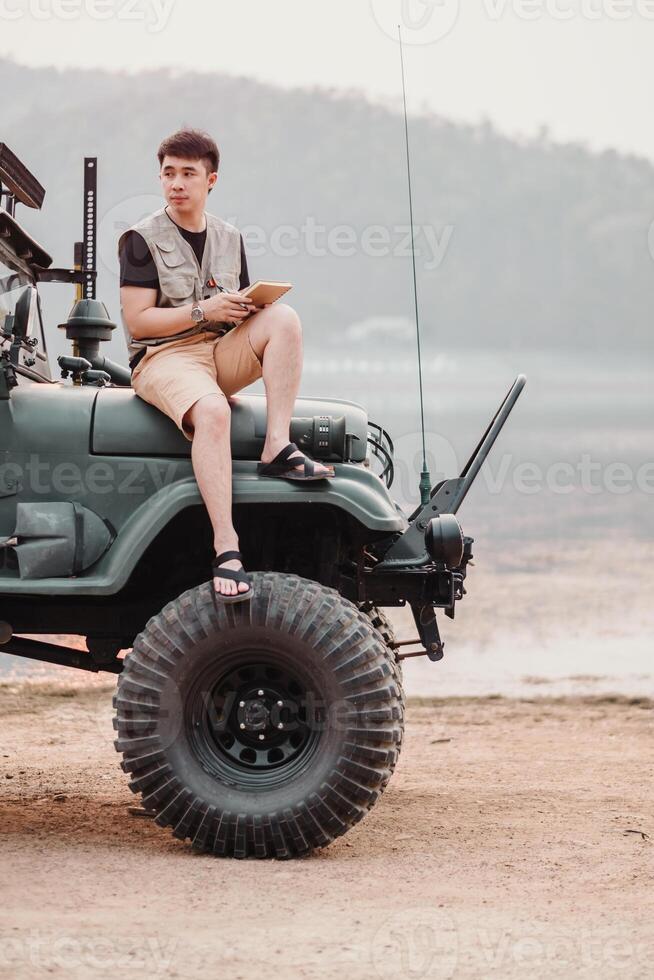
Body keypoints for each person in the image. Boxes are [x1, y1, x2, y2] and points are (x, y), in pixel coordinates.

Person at [118, 128, 334, 603]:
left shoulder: (229, 238)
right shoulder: (139, 239)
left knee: (284, 319)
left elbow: (241, 315)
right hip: (164, 358)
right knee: (214, 413)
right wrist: (203, 311)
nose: (176, 183)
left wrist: (245, 308)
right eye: (168, 173)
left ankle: (277, 446)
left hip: (216, 354)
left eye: (188, 174)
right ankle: (226, 547)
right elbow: (138, 322)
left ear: (210, 180)